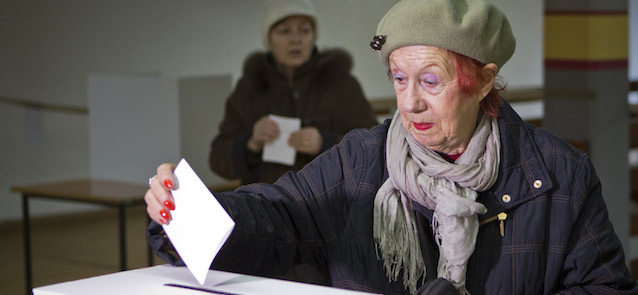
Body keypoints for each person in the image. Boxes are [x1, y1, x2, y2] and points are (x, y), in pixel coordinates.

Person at [146, 0, 638, 294]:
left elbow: (601, 287)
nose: (410, 102)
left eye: (430, 80)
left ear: (484, 81)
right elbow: (281, 215)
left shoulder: (557, 176)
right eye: (399, 79)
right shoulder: (362, 159)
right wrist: (187, 210)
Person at [208, 0, 378, 185]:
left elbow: (373, 144)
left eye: (304, 31)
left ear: (313, 37)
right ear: (269, 39)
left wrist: (327, 142)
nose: (296, 39)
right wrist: (251, 144)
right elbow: (217, 159)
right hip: (266, 206)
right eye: (284, 31)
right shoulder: (248, 88)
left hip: (331, 204)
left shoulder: (342, 83)